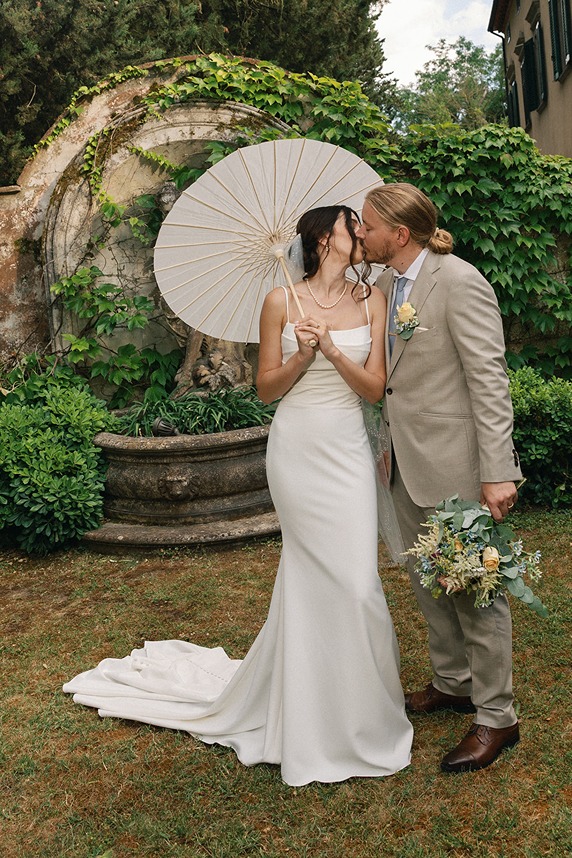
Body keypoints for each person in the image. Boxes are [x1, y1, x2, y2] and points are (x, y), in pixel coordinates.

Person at [63, 204, 413, 787]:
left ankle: (363, 715)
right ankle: (309, 714)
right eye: (352, 226)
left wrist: (331, 350)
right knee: (309, 575)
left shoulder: (372, 300)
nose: (361, 234)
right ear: (324, 239)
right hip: (297, 450)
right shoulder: (280, 302)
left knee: (357, 584)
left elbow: (375, 389)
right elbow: (266, 390)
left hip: (348, 450)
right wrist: (303, 354)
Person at [356, 183, 523, 774]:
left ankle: (497, 716)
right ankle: (453, 682)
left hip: (457, 466)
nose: (361, 233)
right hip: (402, 463)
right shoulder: (383, 284)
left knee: (476, 592)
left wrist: (497, 472)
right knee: (429, 581)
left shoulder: (459, 281)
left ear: (399, 234)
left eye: (368, 225)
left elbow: (489, 380)